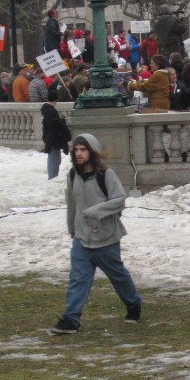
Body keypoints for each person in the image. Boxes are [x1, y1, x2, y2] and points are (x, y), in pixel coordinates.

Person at [51, 133, 142, 334]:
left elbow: (119, 199)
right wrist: (72, 228)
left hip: (106, 238)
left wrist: (95, 211)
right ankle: (71, 319)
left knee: (118, 275)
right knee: (78, 278)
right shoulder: (72, 175)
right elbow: (72, 205)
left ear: (92, 152)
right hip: (82, 239)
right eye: (76, 150)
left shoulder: (106, 174)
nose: (79, 153)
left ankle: (133, 303)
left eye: (83, 149)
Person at [40, 87, 72, 178]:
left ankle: (53, 176)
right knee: (54, 159)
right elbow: (53, 124)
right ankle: (52, 177)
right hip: (53, 139)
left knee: (54, 158)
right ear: (56, 100)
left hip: (51, 138)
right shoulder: (50, 111)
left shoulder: (46, 109)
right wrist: (61, 122)